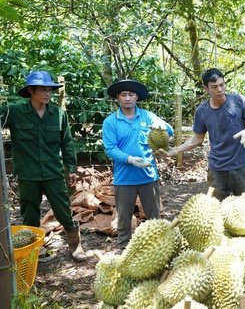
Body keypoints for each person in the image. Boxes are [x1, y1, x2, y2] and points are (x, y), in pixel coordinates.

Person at [1, 71, 87, 261]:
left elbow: (67, 143)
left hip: (53, 172)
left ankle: (75, 245)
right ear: (31, 91)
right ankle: (34, 249)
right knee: (30, 212)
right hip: (27, 174)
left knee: (63, 209)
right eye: (42, 90)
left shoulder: (58, 114)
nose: (48, 94)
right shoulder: (14, 112)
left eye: (50, 90)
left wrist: (71, 168)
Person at [161, 68, 245, 201]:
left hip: (240, 166)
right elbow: (197, 138)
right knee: (216, 210)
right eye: (214, 87)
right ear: (206, 88)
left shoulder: (239, 101)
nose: (220, 90)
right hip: (217, 169)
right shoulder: (202, 111)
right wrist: (176, 150)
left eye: (222, 85)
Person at [102, 79, 174, 247]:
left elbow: (169, 131)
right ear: (118, 98)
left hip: (148, 175)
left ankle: (158, 245)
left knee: (154, 215)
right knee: (124, 217)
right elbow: (110, 148)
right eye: (123, 94)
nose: (127, 98)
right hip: (124, 177)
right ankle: (124, 246)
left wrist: (161, 124)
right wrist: (130, 159)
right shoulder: (110, 122)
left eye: (131, 94)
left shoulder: (148, 116)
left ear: (137, 97)